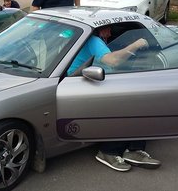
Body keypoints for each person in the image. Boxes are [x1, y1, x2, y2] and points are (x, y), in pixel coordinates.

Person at [67, 25, 161, 172]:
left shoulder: (92, 40)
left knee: (137, 99)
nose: (110, 33)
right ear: (98, 29)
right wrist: (136, 44)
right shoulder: (93, 40)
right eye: (107, 29)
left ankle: (134, 150)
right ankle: (108, 151)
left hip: (85, 83)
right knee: (127, 105)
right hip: (78, 85)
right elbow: (113, 61)